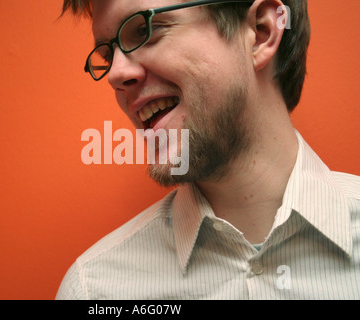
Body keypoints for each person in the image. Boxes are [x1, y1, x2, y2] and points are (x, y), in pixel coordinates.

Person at [56, 0, 360, 299]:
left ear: (261, 32)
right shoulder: (95, 292)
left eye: (145, 29)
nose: (115, 76)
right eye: (108, 56)